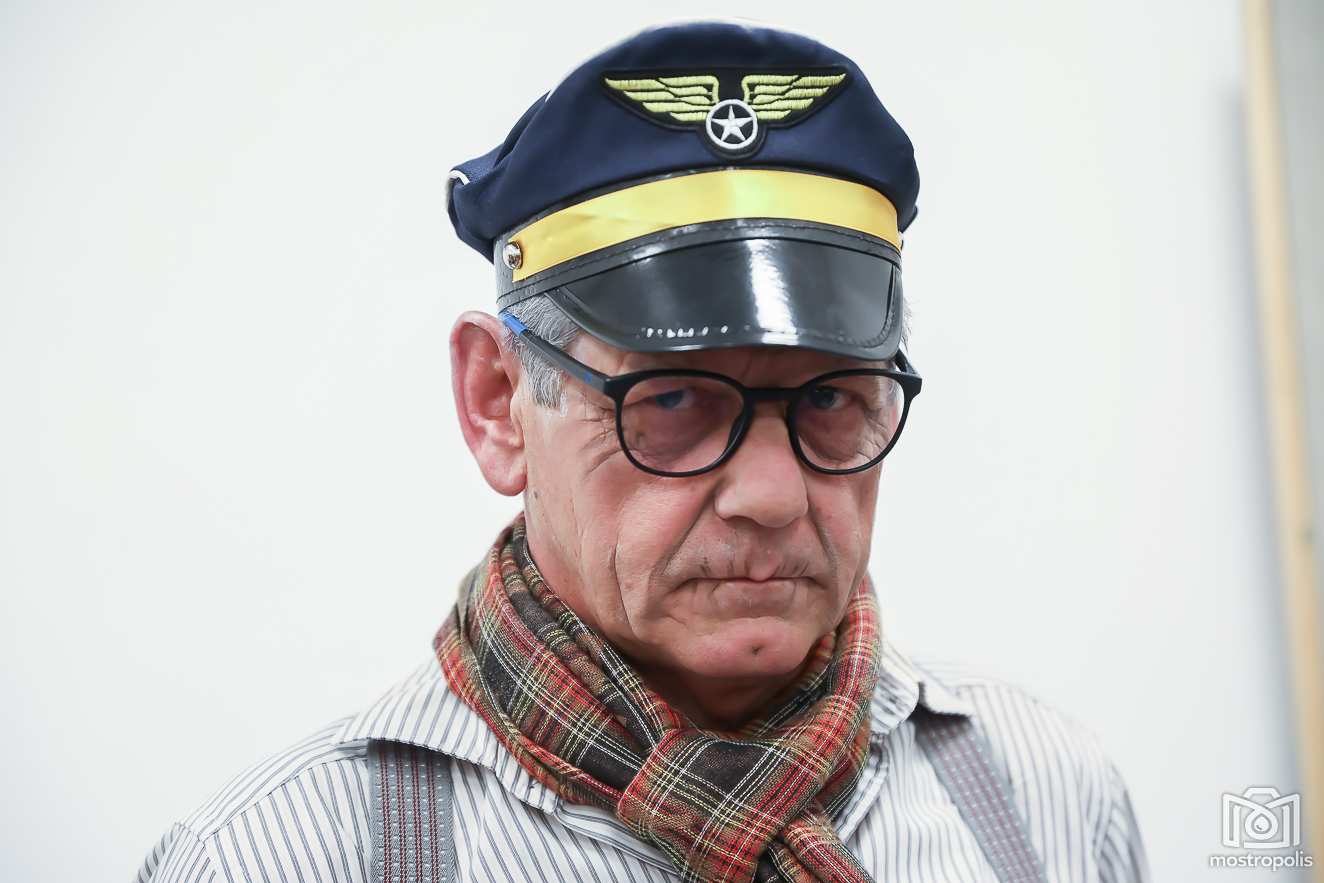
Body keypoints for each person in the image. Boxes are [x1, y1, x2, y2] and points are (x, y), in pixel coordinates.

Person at [136, 19, 1151, 883]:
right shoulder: (286, 856)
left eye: (831, 397)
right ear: (497, 404)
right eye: (671, 400)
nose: (771, 494)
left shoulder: (1045, 797)